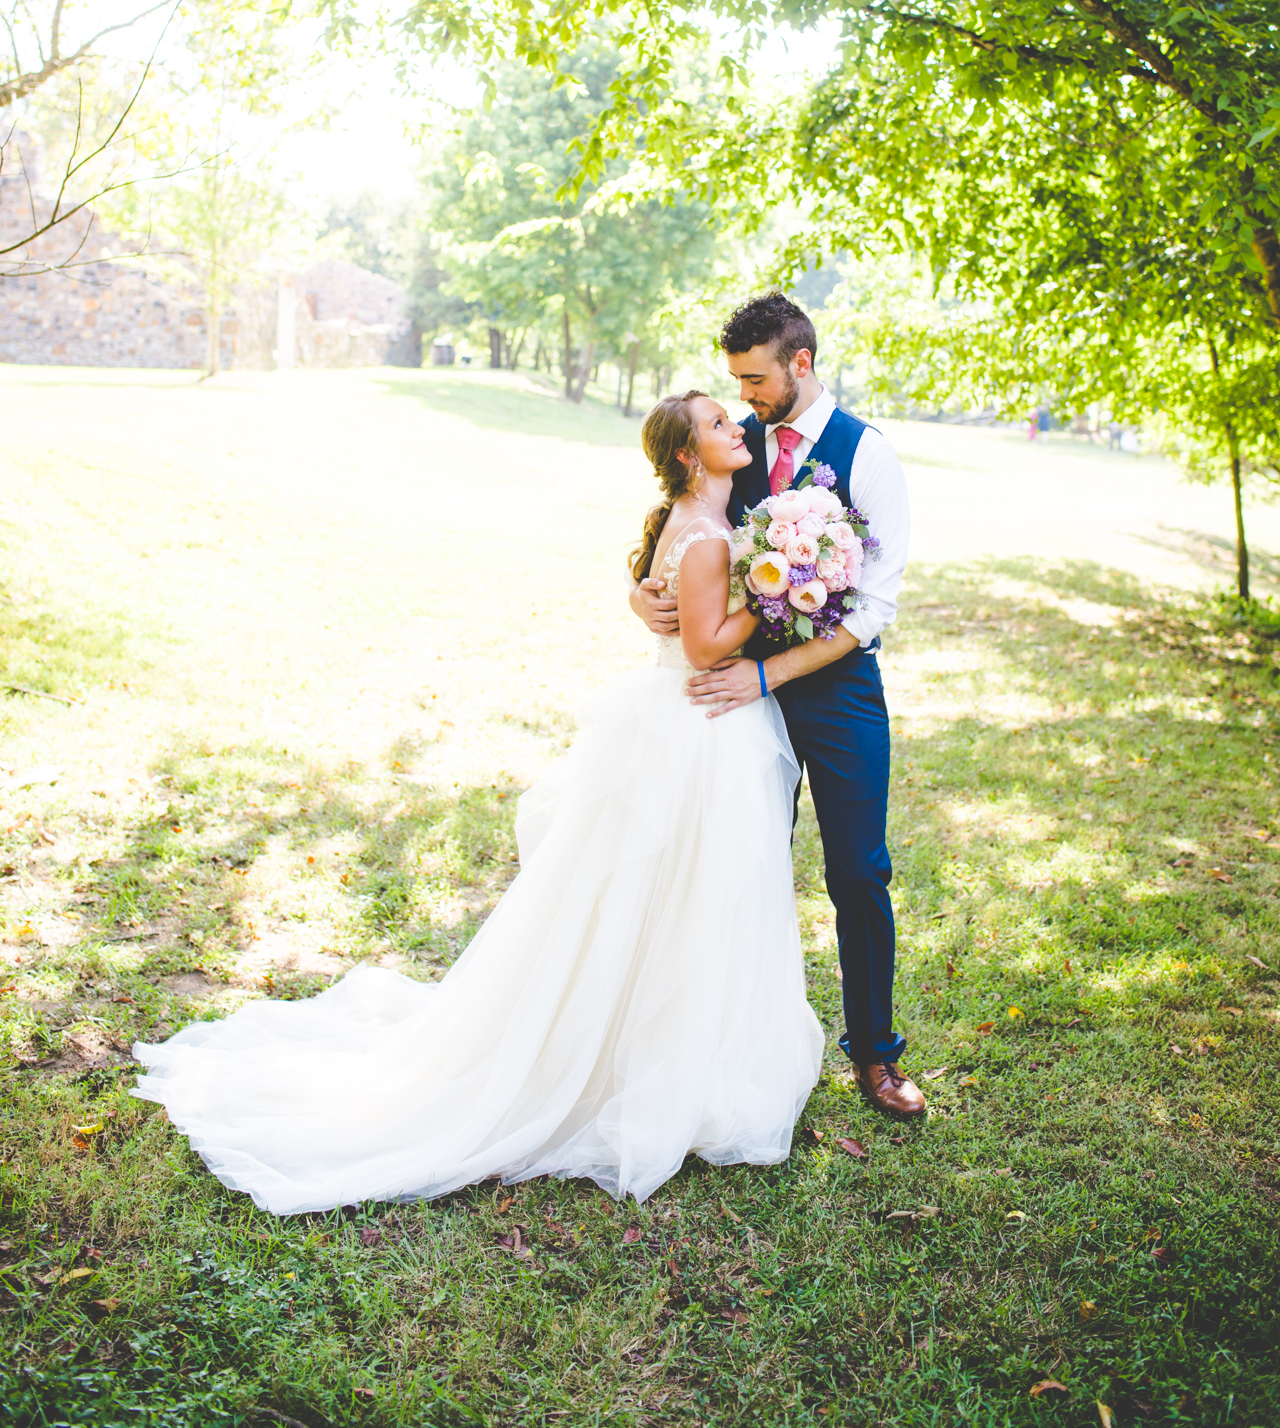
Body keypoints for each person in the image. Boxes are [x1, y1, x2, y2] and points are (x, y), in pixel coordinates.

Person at [133, 393, 822, 1215]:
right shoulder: (707, 533)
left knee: (667, 898)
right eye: (717, 425)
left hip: (679, 719)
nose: (735, 428)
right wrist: (787, 591)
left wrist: (732, 575)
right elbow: (707, 643)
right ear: (686, 455)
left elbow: (668, 591)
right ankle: (657, 1068)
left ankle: (657, 1050)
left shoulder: (701, 517)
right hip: (699, 727)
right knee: (688, 891)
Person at [631, 294, 925, 1118]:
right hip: (729, 702)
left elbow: (872, 610)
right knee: (734, 868)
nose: (747, 398)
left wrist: (770, 675)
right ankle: (716, 1047)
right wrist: (636, 594)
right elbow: (677, 532)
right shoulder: (731, 444)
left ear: (799, 363)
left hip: (829, 692)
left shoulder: (869, 456)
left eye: (757, 380)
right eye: (737, 385)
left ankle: (875, 1057)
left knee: (858, 871)